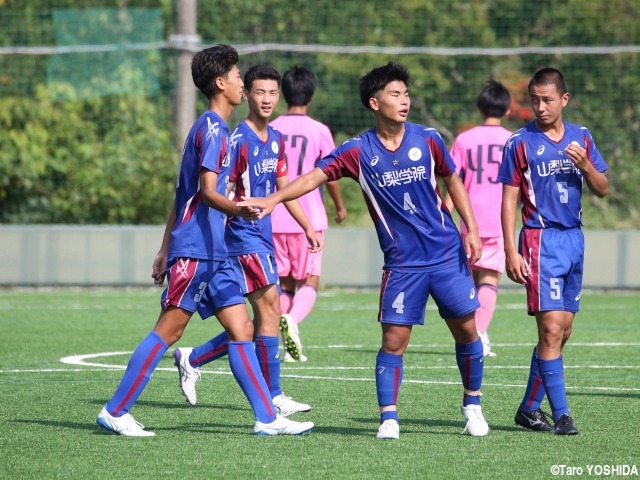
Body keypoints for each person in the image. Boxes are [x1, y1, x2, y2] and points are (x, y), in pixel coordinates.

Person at [240, 62, 490, 440]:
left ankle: (472, 405)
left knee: (467, 331)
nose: (404, 101)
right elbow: (313, 177)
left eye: (406, 94)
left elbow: (452, 177)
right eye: (395, 94)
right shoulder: (357, 150)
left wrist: (470, 227)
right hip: (403, 265)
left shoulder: (428, 138)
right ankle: (388, 417)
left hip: (446, 254)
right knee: (393, 340)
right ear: (374, 103)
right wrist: (274, 199)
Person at [96, 45, 314, 437]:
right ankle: (116, 410)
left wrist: (164, 247)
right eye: (236, 76)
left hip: (215, 251)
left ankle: (267, 418)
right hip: (198, 248)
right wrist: (240, 210)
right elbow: (207, 192)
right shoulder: (214, 128)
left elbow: (183, 195)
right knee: (169, 330)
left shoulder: (215, 129)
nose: (240, 83)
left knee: (242, 329)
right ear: (221, 82)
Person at [171, 65, 320, 416]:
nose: (267, 99)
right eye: (259, 92)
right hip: (240, 237)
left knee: (254, 324)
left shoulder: (278, 139)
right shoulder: (237, 139)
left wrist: (307, 226)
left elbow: (284, 190)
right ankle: (274, 398)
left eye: (272, 93)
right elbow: (216, 192)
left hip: (262, 237)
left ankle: (193, 357)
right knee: (272, 310)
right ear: (248, 95)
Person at [498, 67, 608, 435]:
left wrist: (586, 165)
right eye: (535, 100)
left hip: (574, 240)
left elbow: (603, 188)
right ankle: (562, 416)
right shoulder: (520, 142)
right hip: (539, 240)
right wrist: (511, 250)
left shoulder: (583, 137)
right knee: (550, 329)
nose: (541, 107)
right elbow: (508, 200)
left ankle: (529, 408)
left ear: (564, 99)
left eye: (547, 100)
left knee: (564, 332)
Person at [269, 66, 347, 362]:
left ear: (283, 94)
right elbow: (332, 173)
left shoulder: (272, 128)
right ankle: (293, 322)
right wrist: (339, 206)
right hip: (308, 218)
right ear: (311, 95)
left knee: (286, 282)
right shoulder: (319, 130)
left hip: (276, 216)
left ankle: (287, 332)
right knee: (309, 281)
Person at [444, 80, 513, 357]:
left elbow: (452, 179)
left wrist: (444, 212)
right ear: (507, 109)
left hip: (468, 220)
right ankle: (479, 335)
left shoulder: (465, 139)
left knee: (471, 279)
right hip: (499, 219)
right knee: (490, 279)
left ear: (479, 108)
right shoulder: (513, 139)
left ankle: (472, 333)